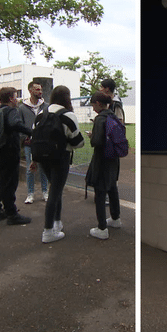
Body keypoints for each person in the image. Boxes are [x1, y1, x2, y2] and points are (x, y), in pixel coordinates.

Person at [30, 85, 84, 243]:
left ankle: (57, 223)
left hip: (43, 158)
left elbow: (34, 137)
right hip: (61, 158)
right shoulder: (68, 115)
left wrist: (34, 159)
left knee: (55, 188)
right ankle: (48, 231)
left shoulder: (41, 114)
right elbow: (77, 142)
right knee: (55, 192)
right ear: (67, 98)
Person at [0, 87, 33, 225]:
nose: (17, 99)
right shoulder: (11, 111)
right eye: (15, 96)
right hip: (8, 152)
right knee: (9, 182)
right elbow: (14, 124)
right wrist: (30, 132)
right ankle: (11, 213)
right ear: (11, 98)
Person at [85, 91, 122, 240]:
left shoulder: (100, 119)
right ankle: (115, 218)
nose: (93, 108)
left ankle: (102, 228)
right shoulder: (113, 116)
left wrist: (91, 136)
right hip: (114, 159)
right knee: (112, 188)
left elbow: (97, 142)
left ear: (99, 104)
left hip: (102, 161)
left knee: (100, 193)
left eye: (93, 104)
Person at [19, 80, 49, 204]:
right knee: (30, 168)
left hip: (43, 142)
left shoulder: (46, 106)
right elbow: (19, 124)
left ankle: (45, 192)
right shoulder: (22, 107)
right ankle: (30, 194)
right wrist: (24, 137)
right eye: (37, 89)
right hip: (29, 143)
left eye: (41, 90)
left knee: (43, 167)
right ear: (30, 90)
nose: (40, 92)